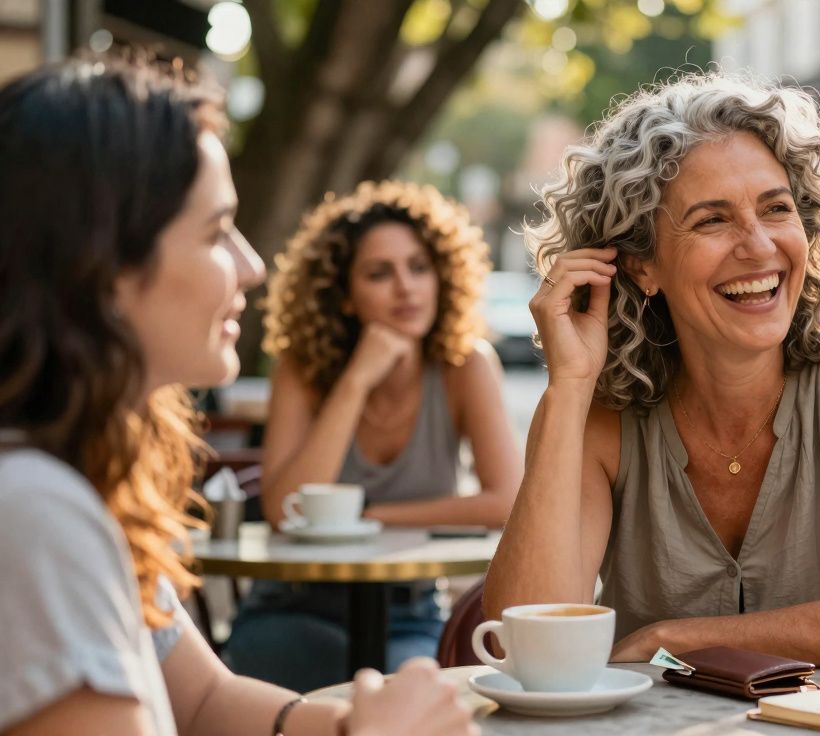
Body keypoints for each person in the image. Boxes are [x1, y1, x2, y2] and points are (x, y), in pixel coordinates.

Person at [0, 54, 475, 736]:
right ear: (104, 265)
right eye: (217, 231)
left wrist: (347, 729)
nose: (252, 266)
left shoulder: (83, 481)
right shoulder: (36, 512)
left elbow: (203, 703)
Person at [482, 73, 820, 666]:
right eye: (712, 220)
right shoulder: (598, 409)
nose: (758, 245)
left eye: (776, 209)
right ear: (643, 264)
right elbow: (523, 645)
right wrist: (568, 387)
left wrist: (669, 637)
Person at [224, 180, 523, 691]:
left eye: (419, 267)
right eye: (379, 273)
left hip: (406, 612)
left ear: (442, 277)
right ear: (343, 297)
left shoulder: (466, 366)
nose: (406, 287)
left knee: (411, 695)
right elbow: (283, 509)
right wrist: (357, 381)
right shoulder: (302, 369)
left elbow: (509, 501)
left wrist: (368, 517)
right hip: (293, 605)